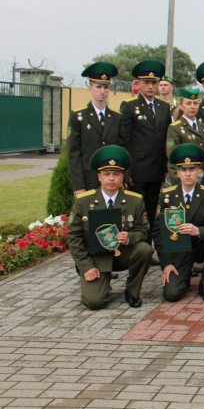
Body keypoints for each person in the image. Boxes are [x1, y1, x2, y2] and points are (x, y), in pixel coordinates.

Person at [66, 146, 153, 309]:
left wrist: (129, 238)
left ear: (122, 177)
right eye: (106, 174)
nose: (111, 178)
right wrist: (86, 266)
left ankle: (132, 291)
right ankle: (101, 283)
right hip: (96, 259)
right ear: (99, 177)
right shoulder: (84, 202)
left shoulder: (135, 200)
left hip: (123, 254)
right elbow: (74, 237)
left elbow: (143, 229)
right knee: (94, 303)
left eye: (116, 174)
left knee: (145, 249)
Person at [153, 144, 204, 303]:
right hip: (179, 250)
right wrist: (166, 263)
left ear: (199, 172)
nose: (188, 173)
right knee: (172, 294)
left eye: (192, 169)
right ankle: (184, 276)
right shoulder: (167, 196)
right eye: (184, 170)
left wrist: (199, 231)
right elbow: (157, 231)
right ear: (178, 173)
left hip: (201, 246)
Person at [120, 60, 170, 248]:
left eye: (154, 83)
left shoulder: (164, 107)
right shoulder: (129, 106)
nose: (150, 86)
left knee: (151, 211)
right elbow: (125, 141)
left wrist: (166, 167)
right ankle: (137, 249)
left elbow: (166, 139)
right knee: (136, 213)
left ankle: (147, 249)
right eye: (146, 82)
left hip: (157, 170)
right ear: (139, 84)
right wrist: (127, 171)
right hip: (138, 171)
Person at [67, 62, 122, 195]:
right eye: (98, 87)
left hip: (112, 180)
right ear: (90, 88)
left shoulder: (117, 117)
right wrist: (78, 185)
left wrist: (123, 177)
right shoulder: (78, 116)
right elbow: (73, 153)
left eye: (106, 87)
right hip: (88, 179)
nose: (102, 91)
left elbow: (122, 148)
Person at [165, 88, 204, 186]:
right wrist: (179, 184)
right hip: (185, 181)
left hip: (201, 180)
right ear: (181, 106)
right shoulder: (175, 128)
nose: (192, 107)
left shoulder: (203, 127)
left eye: (195, 103)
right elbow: (172, 159)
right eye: (188, 103)